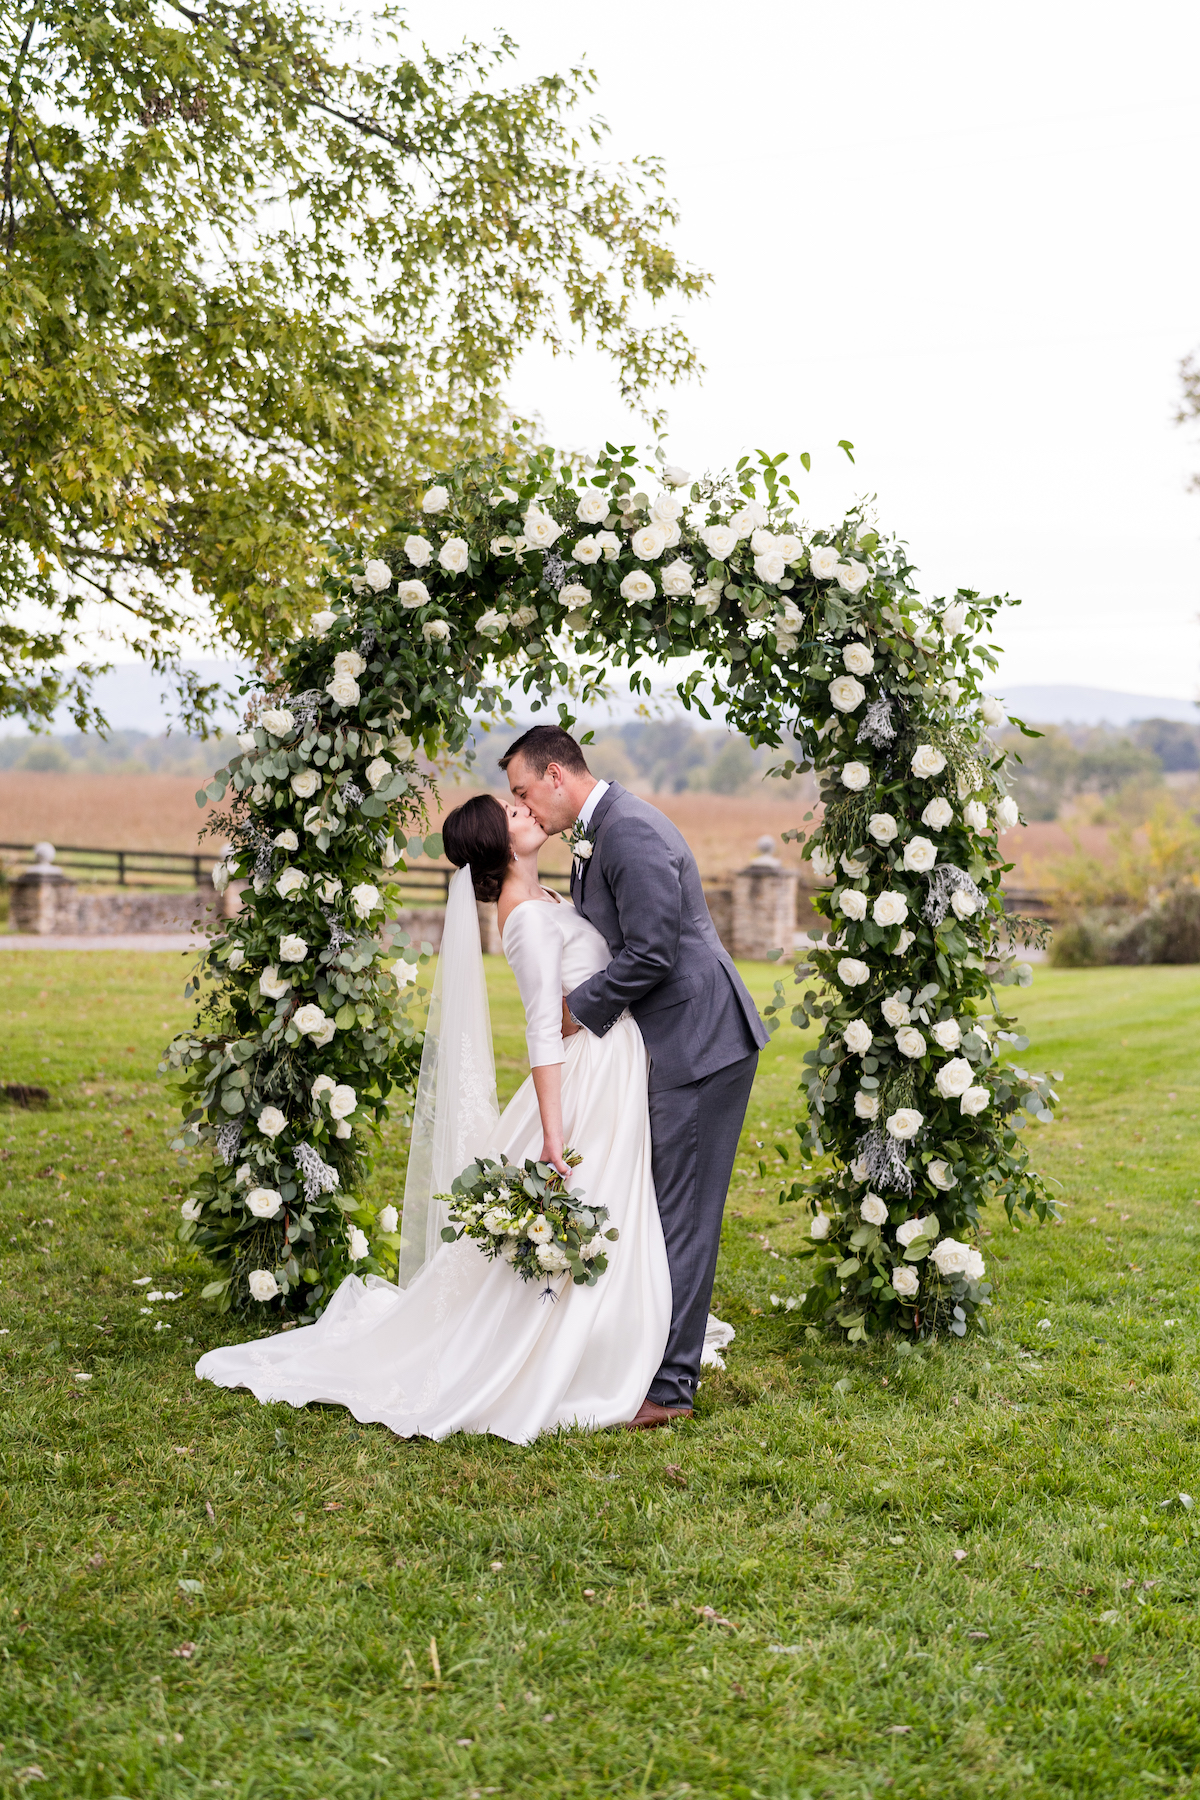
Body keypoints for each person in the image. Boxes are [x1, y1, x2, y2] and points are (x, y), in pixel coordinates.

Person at [194, 792, 674, 1442]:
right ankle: (577, 1353)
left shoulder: (550, 898)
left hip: (609, 1064)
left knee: (617, 1202)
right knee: (591, 1201)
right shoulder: (526, 918)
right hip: (583, 1079)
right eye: (513, 813)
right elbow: (542, 1031)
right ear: (499, 844)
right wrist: (554, 1133)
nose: (527, 811)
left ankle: (614, 1337)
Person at [503, 725, 769, 1428]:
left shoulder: (628, 833)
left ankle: (671, 1389)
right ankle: (649, 1353)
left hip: (701, 1041)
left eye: (524, 790)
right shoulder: (598, 834)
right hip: (673, 1039)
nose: (523, 806)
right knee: (662, 1204)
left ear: (556, 775)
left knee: (685, 1213)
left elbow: (652, 952)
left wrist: (575, 1011)